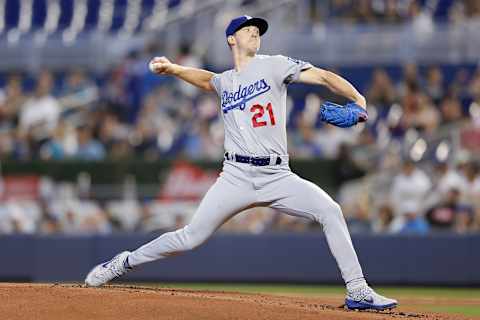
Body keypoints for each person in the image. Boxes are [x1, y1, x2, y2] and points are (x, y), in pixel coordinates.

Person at [84, 15, 397, 311]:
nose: (255, 32)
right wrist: (175, 69)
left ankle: (357, 289)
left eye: (258, 30)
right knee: (190, 237)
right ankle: (123, 262)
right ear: (231, 39)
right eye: (248, 29)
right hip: (236, 175)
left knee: (330, 210)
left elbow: (324, 77)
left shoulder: (275, 65)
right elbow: (209, 80)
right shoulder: (226, 80)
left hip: (277, 174)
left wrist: (359, 99)